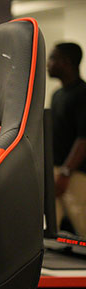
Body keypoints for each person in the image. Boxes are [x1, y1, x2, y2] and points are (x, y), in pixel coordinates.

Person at [48, 42, 86, 236]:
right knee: (51, 230)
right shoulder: (57, 95)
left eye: (53, 58)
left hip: (75, 175)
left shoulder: (82, 94)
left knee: (83, 227)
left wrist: (65, 172)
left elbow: (83, 139)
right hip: (56, 171)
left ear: (67, 62)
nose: (48, 63)